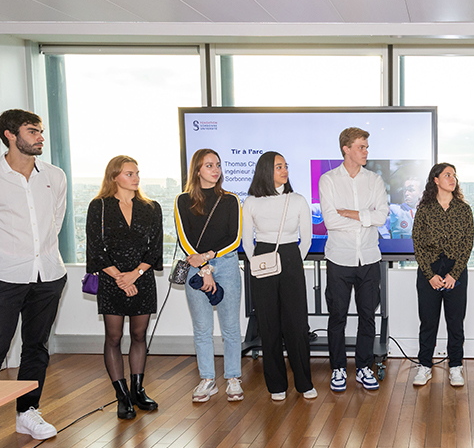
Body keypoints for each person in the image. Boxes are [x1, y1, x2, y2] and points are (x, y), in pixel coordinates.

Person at [0, 109, 67, 448]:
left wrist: (39, 257)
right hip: (3, 277)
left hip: (48, 276)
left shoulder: (54, 176)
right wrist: (8, 256)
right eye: (32, 131)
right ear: (10, 135)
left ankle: (27, 413)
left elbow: (54, 222)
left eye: (41, 130)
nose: (40, 136)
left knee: (36, 347)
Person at [86, 156, 163, 419]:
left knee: (140, 336)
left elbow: (155, 250)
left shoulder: (151, 207)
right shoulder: (99, 206)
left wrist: (135, 275)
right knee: (114, 338)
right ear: (114, 177)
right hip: (112, 280)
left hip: (142, 278)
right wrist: (121, 278)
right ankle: (122, 396)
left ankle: (138, 390)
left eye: (137, 173)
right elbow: (95, 248)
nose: (136, 178)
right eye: (129, 173)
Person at [242, 152, 317, 401]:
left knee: (296, 324)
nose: (284, 170)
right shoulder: (251, 202)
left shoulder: (297, 200)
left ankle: (304, 383)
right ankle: (276, 385)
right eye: (278, 166)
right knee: (268, 324)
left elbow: (306, 239)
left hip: (290, 257)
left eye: (285, 166)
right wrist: (256, 263)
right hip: (262, 259)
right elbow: (246, 240)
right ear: (266, 170)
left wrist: (293, 259)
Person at [319, 127, 389, 392]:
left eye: (366, 147)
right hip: (339, 258)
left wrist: (351, 213)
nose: (366, 152)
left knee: (367, 316)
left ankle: (363, 368)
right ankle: (338, 368)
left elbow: (382, 217)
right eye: (361, 146)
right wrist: (364, 218)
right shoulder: (328, 180)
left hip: (369, 258)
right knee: (337, 316)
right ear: (346, 149)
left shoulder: (374, 180)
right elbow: (330, 221)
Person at [176, 148, 244, 402]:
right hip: (195, 265)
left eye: (217, 165)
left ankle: (233, 378)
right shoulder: (182, 200)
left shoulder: (231, 200)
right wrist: (203, 267)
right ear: (197, 170)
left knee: (230, 327)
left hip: (225, 264)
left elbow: (234, 238)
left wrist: (207, 259)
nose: (216, 170)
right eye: (209, 165)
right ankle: (207, 379)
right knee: (202, 328)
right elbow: (184, 237)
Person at [411, 163, 474, 387]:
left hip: (456, 272)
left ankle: (455, 366)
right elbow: (417, 243)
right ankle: (425, 366)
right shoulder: (425, 209)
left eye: (454, 175)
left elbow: (468, 244)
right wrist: (430, 275)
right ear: (435, 180)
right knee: (428, 322)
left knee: (455, 322)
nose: (452, 178)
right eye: (447, 175)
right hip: (429, 271)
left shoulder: (463, 209)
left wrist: (454, 274)